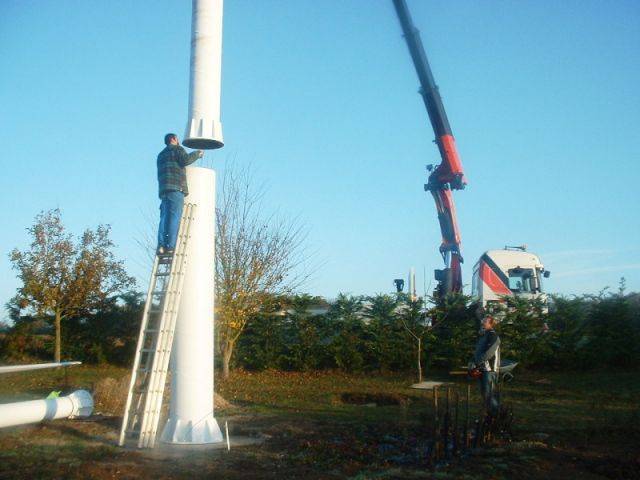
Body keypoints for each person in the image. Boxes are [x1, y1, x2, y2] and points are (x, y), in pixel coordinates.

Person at [156, 133, 203, 254]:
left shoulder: (160, 155)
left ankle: (161, 246)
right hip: (176, 188)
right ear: (173, 139)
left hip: (164, 190)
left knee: (164, 218)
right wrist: (197, 154)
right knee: (174, 217)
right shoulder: (177, 149)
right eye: (177, 139)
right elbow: (185, 160)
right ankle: (171, 246)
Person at [470, 315, 501, 415]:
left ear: (491, 324)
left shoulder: (493, 336)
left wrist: (478, 363)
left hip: (490, 371)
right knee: (484, 394)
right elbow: (478, 352)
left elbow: (489, 353)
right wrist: (473, 363)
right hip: (482, 369)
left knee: (489, 395)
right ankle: (489, 415)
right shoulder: (483, 336)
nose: (483, 323)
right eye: (483, 321)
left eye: (486, 322)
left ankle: (496, 415)